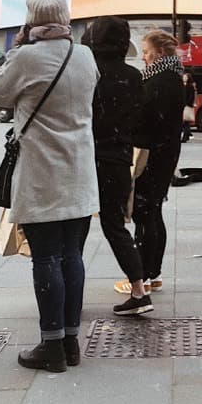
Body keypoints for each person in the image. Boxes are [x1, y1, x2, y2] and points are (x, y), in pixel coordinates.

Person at [0, 0, 99, 372]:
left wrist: (17, 49)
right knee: (72, 254)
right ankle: (70, 343)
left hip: (41, 175)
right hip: (80, 173)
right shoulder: (84, 56)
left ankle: (51, 346)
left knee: (46, 256)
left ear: (31, 20)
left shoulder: (26, 57)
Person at [82, 17, 153, 316]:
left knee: (77, 227)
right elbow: (140, 120)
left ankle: (69, 294)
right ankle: (139, 290)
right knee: (115, 226)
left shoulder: (88, 72)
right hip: (118, 159)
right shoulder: (134, 76)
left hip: (86, 158)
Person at [129, 29, 185, 295]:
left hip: (152, 153)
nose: (143, 57)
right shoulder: (173, 77)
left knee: (145, 213)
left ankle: (144, 275)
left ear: (160, 53)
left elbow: (147, 119)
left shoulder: (159, 80)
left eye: (147, 51)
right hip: (166, 152)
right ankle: (153, 274)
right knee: (153, 211)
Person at [181, 72, 197, 143]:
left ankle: (185, 136)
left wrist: (186, 104)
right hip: (183, 105)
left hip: (187, 106)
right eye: (183, 77)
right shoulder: (182, 86)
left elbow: (191, 97)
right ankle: (186, 135)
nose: (184, 78)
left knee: (185, 122)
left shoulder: (190, 86)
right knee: (185, 122)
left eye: (185, 77)